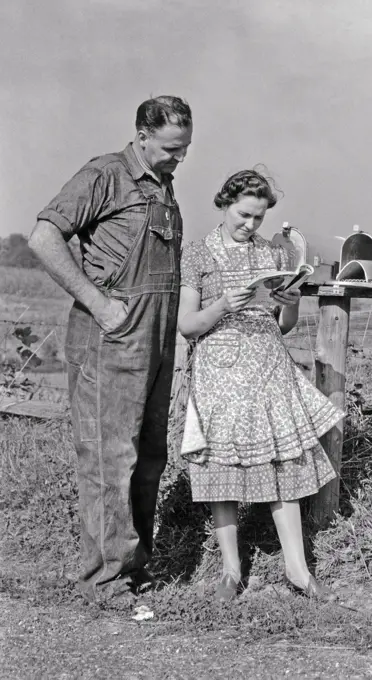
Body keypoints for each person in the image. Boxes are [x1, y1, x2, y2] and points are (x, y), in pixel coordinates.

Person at [28, 96, 193, 604]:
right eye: (170, 148)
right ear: (142, 134)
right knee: (109, 457)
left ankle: (136, 568)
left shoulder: (163, 185)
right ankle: (106, 580)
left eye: (185, 149)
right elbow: (43, 238)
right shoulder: (105, 174)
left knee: (148, 457)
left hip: (157, 337)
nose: (178, 158)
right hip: (111, 337)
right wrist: (99, 304)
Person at [177, 169, 343, 601]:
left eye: (258, 218)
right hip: (220, 371)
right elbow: (187, 325)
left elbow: (283, 326)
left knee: (281, 463)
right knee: (223, 468)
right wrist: (222, 305)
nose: (250, 225)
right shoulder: (198, 254)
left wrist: (292, 302)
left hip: (268, 366)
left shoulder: (271, 252)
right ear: (224, 204)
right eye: (244, 215)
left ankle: (298, 570)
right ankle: (231, 571)